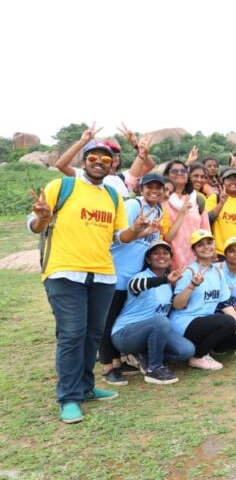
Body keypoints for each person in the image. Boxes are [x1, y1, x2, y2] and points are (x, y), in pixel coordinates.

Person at [28, 140, 155, 423]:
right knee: (72, 334)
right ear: (84, 161)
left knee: (92, 334)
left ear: (112, 165)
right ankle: (69, 397)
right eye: (93, 157)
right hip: (64, 272)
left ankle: (85, 387)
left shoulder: (111, 196)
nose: (99, 162)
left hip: (102, 274)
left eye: (105, 160)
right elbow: (35, 224)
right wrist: (43, 218)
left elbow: (118, 236)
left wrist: (134, 231)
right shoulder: (62, 187)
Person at [99, 172, 180, 386]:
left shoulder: (158, 209)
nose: (154, 191)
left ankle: (120, 360)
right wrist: (139, 230)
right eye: (149, 187)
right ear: (140, 189)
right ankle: (110, 367)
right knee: (108, 323)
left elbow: (148, 240)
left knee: (120, 319)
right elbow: (116, 237)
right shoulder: (132, 206)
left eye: (158, 187)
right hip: (117, 273)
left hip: (134, 277)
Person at [170, 230, 236, 370]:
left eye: (209, 243)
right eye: (200, 245)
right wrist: (192, 285)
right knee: (227, 322)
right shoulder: (189, 272)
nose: (206, 247)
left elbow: (224, 303)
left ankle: (212, 346)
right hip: (186, 322)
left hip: (207, 320)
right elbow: (177, 305)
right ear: (194, 250)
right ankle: (198, 356)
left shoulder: (218, 272)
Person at [111, 241, 196, 385]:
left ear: (170, 257)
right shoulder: (140, 277)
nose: (161, 256)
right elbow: (135, 285)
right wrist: (165, 279)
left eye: (165, 253)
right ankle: (154, 369)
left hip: (154, 331)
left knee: (186, 350)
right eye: (156, 253)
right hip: (125, 335)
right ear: (148, 259)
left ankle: (141, 356)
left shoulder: (169, 283)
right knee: (161, 321)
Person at [163, 159, 211, 271]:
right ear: (167, 175)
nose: (179, 173)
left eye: (183, 170)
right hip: (169, 260)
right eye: (174, 171)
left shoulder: (197, 199)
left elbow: (206, 231)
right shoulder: (162, 199)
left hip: (196, 258)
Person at [208, 169, 236, 258]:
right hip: (218, 253)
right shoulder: (214, 198)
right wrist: (221, 203)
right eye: (229, 179)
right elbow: (207, 220)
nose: (233, 182)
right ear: (223, 182)